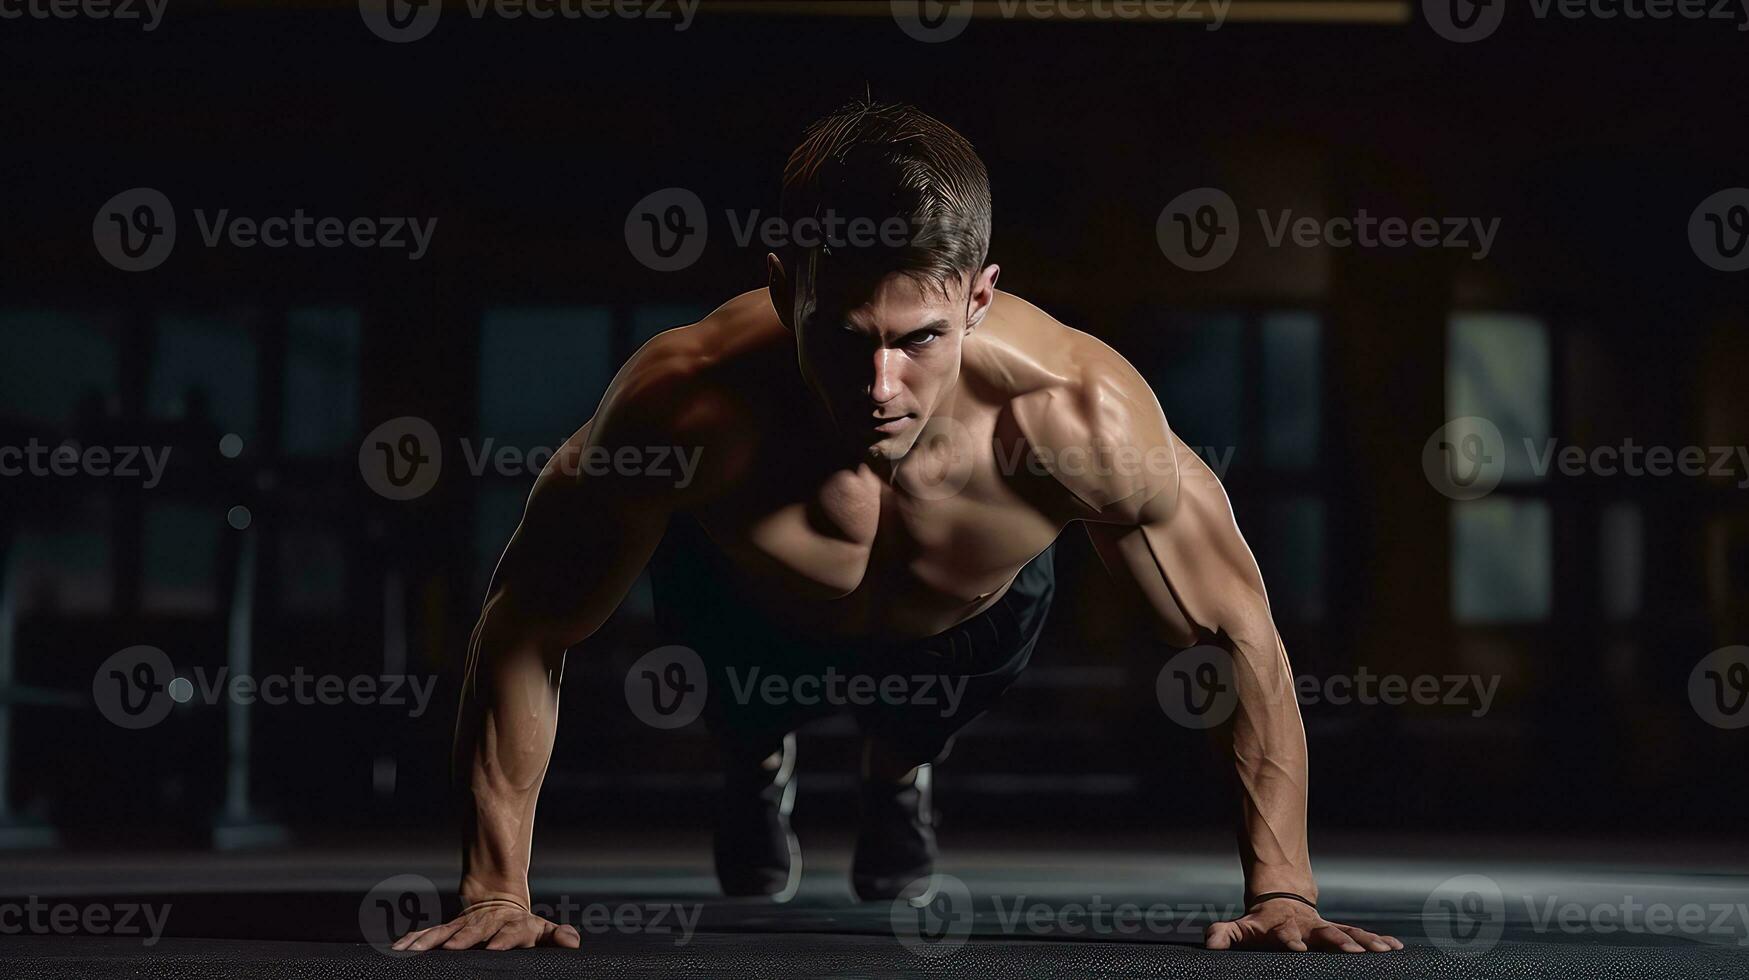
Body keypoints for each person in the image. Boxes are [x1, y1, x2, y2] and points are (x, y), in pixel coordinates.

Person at [393, 99, 1401, 955]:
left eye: (919, 340)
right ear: (787, 288)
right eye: (844, 337)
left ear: (979, 296)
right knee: (747, 692)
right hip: (750, 607)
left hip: (967, 624)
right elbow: (527, 622)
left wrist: (1283, 890)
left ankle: (900, 763)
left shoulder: (1077, 414)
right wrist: (494, 890)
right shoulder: (685, 401)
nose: (881, 387)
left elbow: (1236, 631)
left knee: (924, 699)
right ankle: (757, 753)